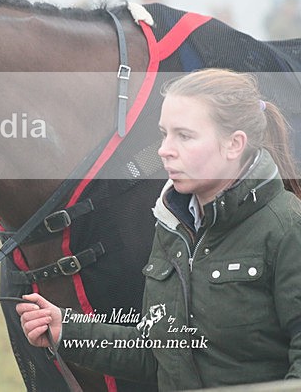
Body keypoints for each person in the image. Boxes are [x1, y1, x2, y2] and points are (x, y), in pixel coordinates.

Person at [17, 68, 301, 390]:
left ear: (234, 144)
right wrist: (67, 331)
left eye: (184, 135)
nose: (164, 149)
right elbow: (161, 353)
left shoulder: (287, 227)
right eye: (163, 134)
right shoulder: (172, 227)